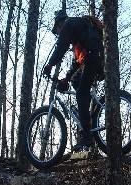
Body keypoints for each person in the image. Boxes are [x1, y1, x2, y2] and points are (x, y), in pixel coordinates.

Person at [43, 10, 104, 152]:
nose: (59, 34)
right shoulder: (79, 37)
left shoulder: (69, 24)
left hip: (94, 58)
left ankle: (87, 136)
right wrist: (66, 79)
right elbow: (77, 63)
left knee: (81, 93)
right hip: (95, 58)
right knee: (77, 82)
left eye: (58, 31)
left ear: (59, 24)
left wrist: (49, 65)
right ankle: (88, 115)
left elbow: (61, 47)